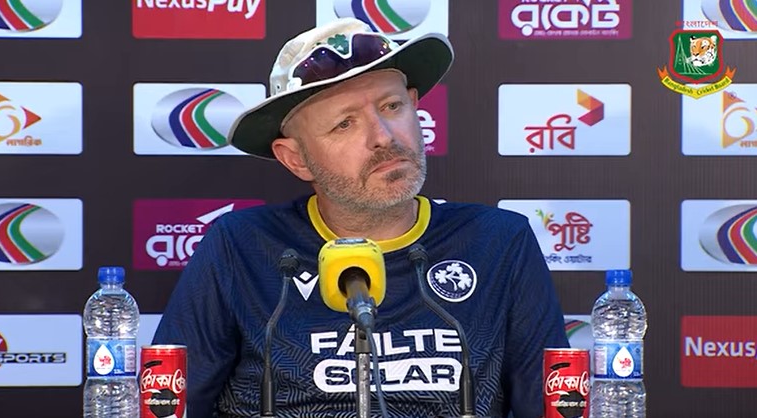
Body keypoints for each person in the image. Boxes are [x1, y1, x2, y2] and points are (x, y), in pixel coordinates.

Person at [153, 17, 569, 418]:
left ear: (415, 106)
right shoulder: (241, 248)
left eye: (392, 106)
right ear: (296, 158)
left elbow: (554, 408)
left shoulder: (498, 241)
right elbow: (165, 408)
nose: (383, 136)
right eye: (345, 124)